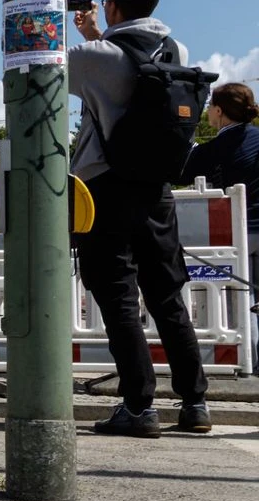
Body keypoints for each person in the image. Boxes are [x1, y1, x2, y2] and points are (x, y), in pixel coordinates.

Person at [70, 0, 211, 437]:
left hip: (105, 188)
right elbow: (126, 69)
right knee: (167, 298)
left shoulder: (94, 58)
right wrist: (98, 32)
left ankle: (139, 407)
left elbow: (33, 61)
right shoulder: (175, 49)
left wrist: (72, 24)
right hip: (156, 189)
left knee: (119, 300)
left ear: (110, 5)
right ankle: (195, 404)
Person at [179, 83, 259, 371]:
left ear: (219, 111)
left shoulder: (216, 147)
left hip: (240, 231)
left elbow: (183, 170)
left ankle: (248, 363)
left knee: (239, 298)